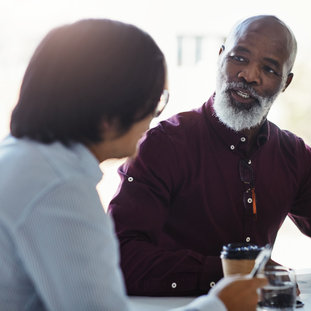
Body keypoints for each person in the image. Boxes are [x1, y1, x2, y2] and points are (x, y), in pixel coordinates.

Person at [109, 14, 311, 298]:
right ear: (220, 57)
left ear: (285, 83)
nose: (249, 76)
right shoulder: (162, 146)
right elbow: (119, 255)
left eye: (268, 69)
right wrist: (230, 274)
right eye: (239, 59)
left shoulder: (293, 155)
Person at [0, 19, 267, 311]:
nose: (155, 116)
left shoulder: (23, 159)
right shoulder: (58, 188)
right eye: (156, 99)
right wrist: (219, 305)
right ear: (108, 107)